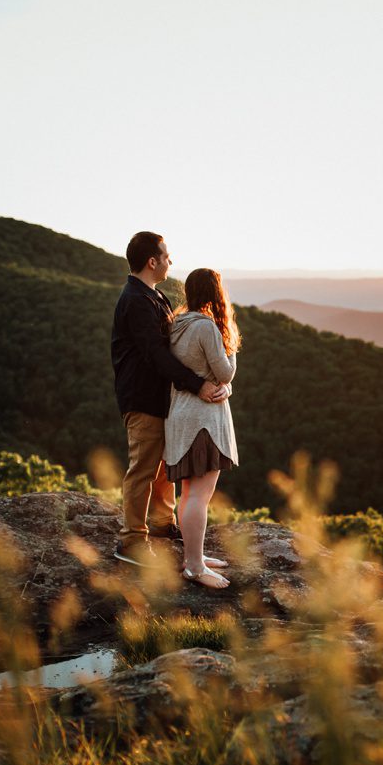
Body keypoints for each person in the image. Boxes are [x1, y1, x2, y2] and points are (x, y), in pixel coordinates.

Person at [110, 232, 230, 567]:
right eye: (166, 256)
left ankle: (162, 525)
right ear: (152, 261)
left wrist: (215, 382)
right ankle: (132, 541)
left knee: (163, 465)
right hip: (142, 397)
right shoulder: (136, 301)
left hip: (164, 399)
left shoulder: (153, 296)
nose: (170, 261)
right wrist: (199, 385)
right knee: (143, 468)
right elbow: (156, 355)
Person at [164, 268, 241, 588]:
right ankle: (194, 567)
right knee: (200, 495)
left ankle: (193, 556)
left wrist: (226, 385)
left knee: (188, 495)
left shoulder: (177, 324)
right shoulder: (207, 326)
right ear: (216, 293)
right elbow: (224, 372)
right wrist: (232, 346)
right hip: (204, 421)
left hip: (181, 417)